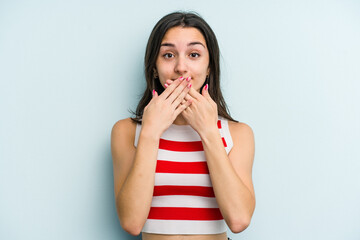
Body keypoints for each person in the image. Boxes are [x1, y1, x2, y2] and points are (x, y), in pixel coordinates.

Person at [111, 11, 255, 240]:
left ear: (209, 68)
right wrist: (150, 132)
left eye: (194, 54)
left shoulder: (238, 134)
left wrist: (208, 131)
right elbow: (131, 222)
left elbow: (239, 220)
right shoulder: (127, 131)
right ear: (154, 68)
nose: (181, 67)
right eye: (168, 55)